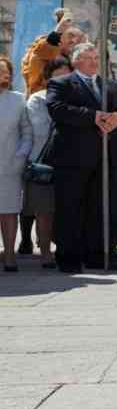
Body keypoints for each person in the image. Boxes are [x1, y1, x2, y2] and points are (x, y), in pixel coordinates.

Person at [46, 43, 117, 272]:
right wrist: (93, 116)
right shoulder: (61, 83)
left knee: (100, 208)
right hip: (73, 158)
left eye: (96, 57)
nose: (94, 61)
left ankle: (96, 254)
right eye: (88, 57)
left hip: (105, 158)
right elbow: (56, 108)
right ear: (76, 61)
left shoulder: (110, 86)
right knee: (70, 208)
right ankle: (69, 256)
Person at [22, 57, 70, 267]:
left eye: (67, 74)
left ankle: (65, 248)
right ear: (48, 78)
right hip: (44, 162)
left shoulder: (77, 98)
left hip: (70, 161)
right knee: (44, 211)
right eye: (58, 75)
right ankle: (45, 253)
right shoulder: (38, 99)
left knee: (67, 210)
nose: (63, 79)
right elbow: (40, 129)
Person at [0, 56, 33, 272]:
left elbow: (27, 132)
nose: (3, 74)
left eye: (5, 70)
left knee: (9, 211)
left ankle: (10, 255)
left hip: (9, 164)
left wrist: (20, 156)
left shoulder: (18, 99)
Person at [21, 9, 85, 94]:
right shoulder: (42, 49)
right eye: (69, 35)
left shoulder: (75, 54)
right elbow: (42, 51)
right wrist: (57, 32)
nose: (73, 40)